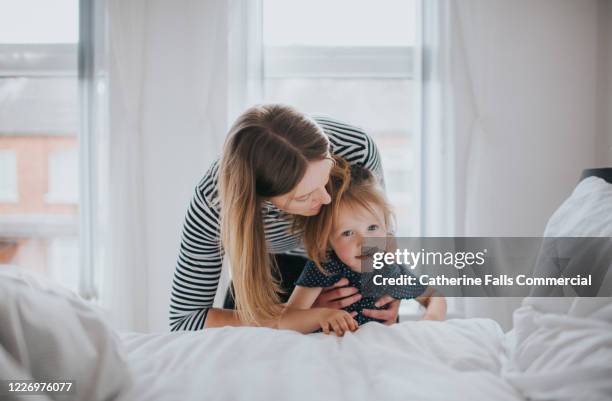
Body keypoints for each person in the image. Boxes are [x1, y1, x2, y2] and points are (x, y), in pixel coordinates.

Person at [169, 104, 399, 330]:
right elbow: (185, 320)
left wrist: (391, 286)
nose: (327, 199)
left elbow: (379, 226)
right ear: (263, 198)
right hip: (271, 282)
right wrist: (297, 316)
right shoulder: (213, 205)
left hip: (349, 272)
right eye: (304, 196)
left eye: (326, 176)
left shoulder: (354, 147)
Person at [278, 162, 447, 336]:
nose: (364, 242)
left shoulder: (388, 270)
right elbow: (287, 320)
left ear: (386, 227)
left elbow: (434, 297)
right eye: (348, 232)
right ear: (327, 239)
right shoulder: (324, 268)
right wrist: (321, 315)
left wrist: (430, 320)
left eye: (373, 228)